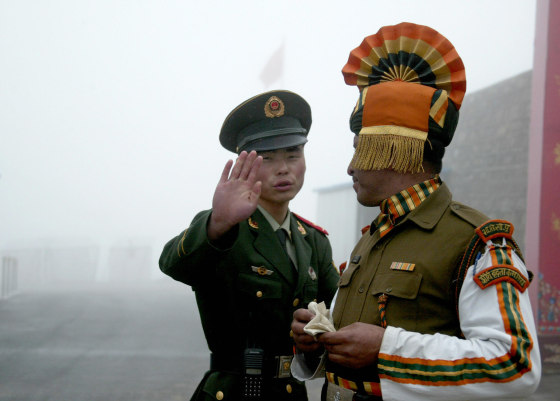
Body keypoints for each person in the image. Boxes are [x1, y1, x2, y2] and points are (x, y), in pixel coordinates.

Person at [291, 22, 541, 401]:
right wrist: (316, 345)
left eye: (359, 148)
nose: (350, 167)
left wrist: (388, 348)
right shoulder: (372, 238)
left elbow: (515, 364)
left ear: (392, 147)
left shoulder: (477, 241)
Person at [159, 90, 340, 401]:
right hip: (234, 391)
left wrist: (316, 335)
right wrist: (217, 223)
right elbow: (173, 264)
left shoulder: (313, 241)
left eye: (293, 155)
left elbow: (337, 312)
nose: (283, 168)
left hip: (291, 391)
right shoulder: (225, 228)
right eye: (267, 158)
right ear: (246, 165)